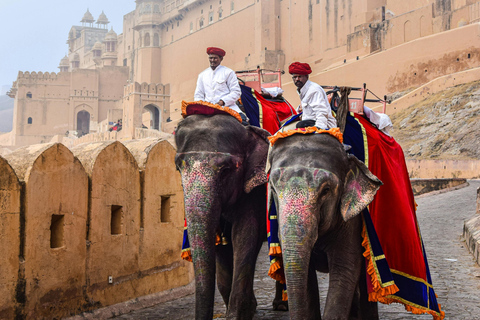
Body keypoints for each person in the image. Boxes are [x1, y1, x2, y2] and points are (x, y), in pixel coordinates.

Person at [194, 47, 248, 123]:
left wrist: (222, 102)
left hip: (227, 107)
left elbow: (236, 92)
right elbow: (198, 95)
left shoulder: (228, 72)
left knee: (243, 123)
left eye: (215, 58)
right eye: (211, 58)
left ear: (221, 59)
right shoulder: (202, 75)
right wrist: (202, 105)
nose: (212, 60)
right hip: (207, 110)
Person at [289, 62, 337, 130]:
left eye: (300, 76)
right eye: (295, 77)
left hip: (321, 124)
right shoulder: (303, 90)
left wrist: (319, 128)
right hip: (308, 123)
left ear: (307, 76)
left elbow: (321, 111)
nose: (297, 79)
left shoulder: (314, 90)